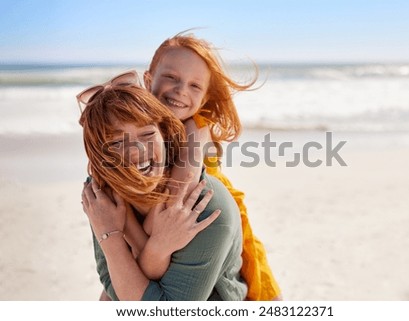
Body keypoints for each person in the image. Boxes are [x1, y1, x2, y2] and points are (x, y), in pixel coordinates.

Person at [78, 74, 247, 300]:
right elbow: (112, 286)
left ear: (165, 135)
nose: (137, 150)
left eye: (147, 134)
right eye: (117, 142)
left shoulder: (206, 209)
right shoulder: (102, 197)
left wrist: (112, 239)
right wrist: (154, 248)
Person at [143, 32, 282, 301]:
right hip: (173, 230)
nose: (181, 89)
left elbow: (177, 197)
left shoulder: (197, 128)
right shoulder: (141, 126)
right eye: (171, 77)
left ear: (205, 98)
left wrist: (149, 237)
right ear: (149, 80)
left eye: (195, 86)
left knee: (260, 286)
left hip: (221, 224)